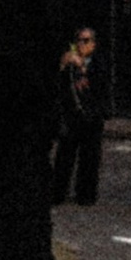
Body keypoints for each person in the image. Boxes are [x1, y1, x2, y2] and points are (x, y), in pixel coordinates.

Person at [51, 27, 104, 206]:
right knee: (64, 155)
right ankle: (58, 192)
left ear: (93, 44)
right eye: (79, 40)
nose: (82, 44)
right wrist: (63, 65)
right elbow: (58, 86)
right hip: (71, 115)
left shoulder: (98, 63)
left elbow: (99, 87)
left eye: (86, 41)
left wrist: (82, 67)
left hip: (91, 115)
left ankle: (86, 194)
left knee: (90, 157)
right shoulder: (68, 63)